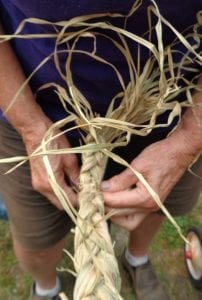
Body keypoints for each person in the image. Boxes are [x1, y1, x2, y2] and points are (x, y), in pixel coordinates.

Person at [0, 1, 201, 299]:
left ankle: (136, 258)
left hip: (174, 108)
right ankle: (45, 287)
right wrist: (30, 126)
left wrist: (189, 139)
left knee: (156, 206)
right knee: (36, 237)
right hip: (32, 105)